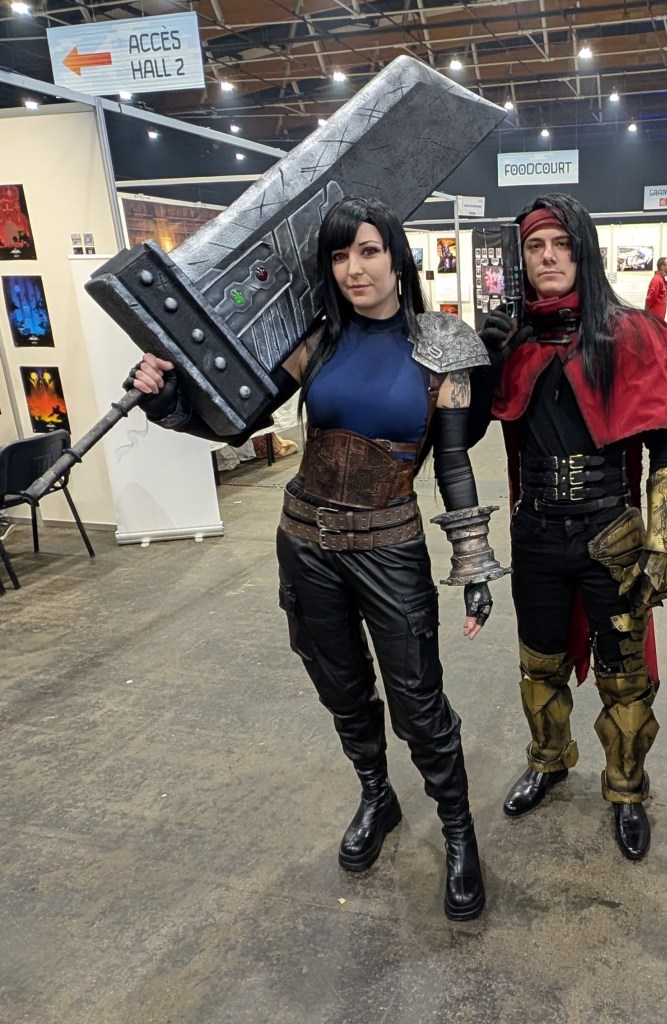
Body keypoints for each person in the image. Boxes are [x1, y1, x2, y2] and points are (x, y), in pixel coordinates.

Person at [130, 196, 502, 922]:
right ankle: (377, 796)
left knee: (419, 704)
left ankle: (459, 833)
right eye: (339, 256)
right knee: (342, 690)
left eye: (367, 251)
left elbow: (454, 462)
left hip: (390, 548)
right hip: (306, 544)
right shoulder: (315, 341)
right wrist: (165, 399)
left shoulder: (444, 345)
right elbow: (236, 421)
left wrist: (473, 562)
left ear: (397, 256)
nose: (354, 269)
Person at [470, 193, 667, 861]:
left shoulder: (632, 335)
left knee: (624, 676)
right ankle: (547, 760)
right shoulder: (513, 344)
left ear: (583, 253)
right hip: (537, 536)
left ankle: (627, 788)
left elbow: (666, 449)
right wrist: (483, 363)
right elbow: (467, 430)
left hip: (611, 535)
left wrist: (660, 546)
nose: (548, 257)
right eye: (535, 246)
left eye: (561, 245)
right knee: (538, 664)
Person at [645, 257, 667, 322]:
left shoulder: (661, 280)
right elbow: (650, 298)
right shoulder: (657, 280)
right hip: (654, 318)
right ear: (662, 267)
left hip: (658, 318)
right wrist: (645, 313)